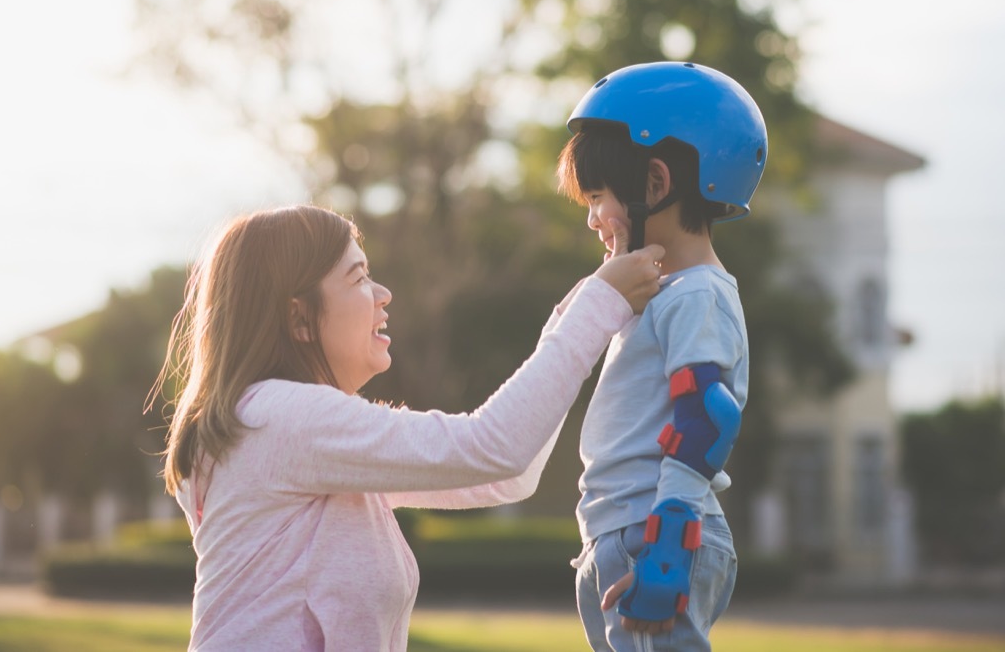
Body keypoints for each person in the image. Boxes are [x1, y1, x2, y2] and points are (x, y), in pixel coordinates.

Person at [149, 203, 665, 651]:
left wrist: (589, 303)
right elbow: (494, 449)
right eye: (357, 278)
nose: (383, 293)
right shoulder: (282, 418)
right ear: (299, 319)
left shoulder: (287, 430)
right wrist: (599, 304)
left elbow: (506, 473)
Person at [555, 61, 768, 651]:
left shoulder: (696, 294)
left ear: (654, 185)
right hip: (625, 530)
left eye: (597, 197)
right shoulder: (660, 292)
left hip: (657, 531)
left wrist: (667, 550)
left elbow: (706, 419)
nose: (593, 217)